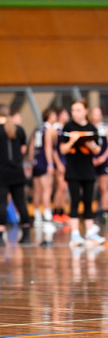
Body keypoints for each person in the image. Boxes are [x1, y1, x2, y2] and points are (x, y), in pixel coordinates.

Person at [59, 99, 105, 246]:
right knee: (74, 200)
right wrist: (73, 141)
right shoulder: (68, 127)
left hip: (88, 169)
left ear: (85, 111)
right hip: (73, 170)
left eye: (78, 110)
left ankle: (90, 232)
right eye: (73, 110)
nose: (75, 113)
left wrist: (90, 144)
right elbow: (62, 149)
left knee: (88, 201)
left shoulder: (92, 128)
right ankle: (75, 234)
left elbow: (97, 150)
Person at [0, 104, 32, 246]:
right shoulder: (19, 129)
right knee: (21, 203)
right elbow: (23, 149)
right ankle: (26, 234)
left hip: (1, 173)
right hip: (17, 172)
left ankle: (0, 235)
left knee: (2, 204)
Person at [29, 108, 57, 226]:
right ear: (50, 117)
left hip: (36, 161)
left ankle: (37, 215)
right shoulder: (49, 130)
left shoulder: (38, 130)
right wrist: (50, 163)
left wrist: (32, 162)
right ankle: (47, 214)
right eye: (54, 115)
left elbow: (31, 147)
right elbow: (48, 147)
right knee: (47, 189)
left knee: (37, 191)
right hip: (44, 161)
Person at [89, 107, 108, 222]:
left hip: (103, 160)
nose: (97, 116)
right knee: (90, 186)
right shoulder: (89, 128)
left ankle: (105, 210)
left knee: (103, 187)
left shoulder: (105, 128)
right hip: (91, 161)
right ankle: (89, 210)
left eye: (99, 114)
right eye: (95, 114)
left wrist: (103, 158)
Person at [52, 107, 70, 222]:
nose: (67, 115)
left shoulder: (65, 129)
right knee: (60, 187)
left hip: (66, 161)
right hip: (59, 162)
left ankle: (62, 211)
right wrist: (58, 163)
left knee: (63, 188)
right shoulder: (55, 129)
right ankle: (56, 211)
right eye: (65, 113)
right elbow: (53, 149)